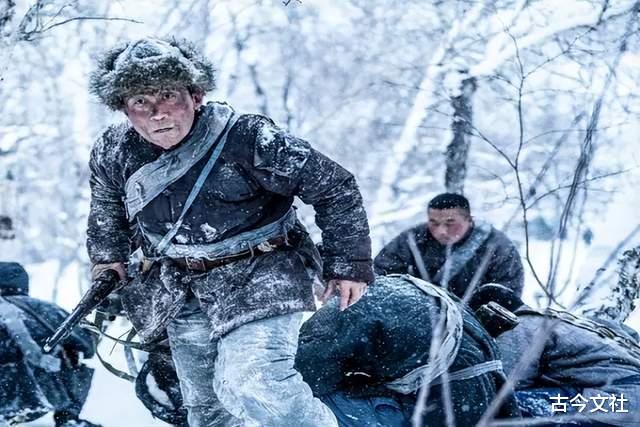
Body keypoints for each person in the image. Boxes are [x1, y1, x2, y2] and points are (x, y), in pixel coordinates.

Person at [86, 36, 374, 426]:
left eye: (168, 95)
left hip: (264, 272)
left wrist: (349, 265)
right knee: (205, 407)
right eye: (140, 101)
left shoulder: (248, 138)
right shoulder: (114, 150)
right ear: (124, 107)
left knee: (255, 381)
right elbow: (106, 203)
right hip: (181, 284)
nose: (157, 113)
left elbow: (334, 187)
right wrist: (108, 259)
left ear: (196, 95)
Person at [295, 274, 521, 427]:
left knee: (303, 402)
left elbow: (301, 374)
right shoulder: (401, 286)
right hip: (483, 400)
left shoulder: (348, 305)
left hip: (444, 406)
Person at [469, 284, 640, 426]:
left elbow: (507, 384)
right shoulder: (566, 319)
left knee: (504, 410)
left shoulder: (519, 324)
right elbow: (630, 334)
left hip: (618, 401)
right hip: (627, 399)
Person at [0, 262, 100, 427]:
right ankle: (67, 418)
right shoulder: (44, 309)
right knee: (73, 352)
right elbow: (87, 346)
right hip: (37, 394)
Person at [374, 193, 524, 299]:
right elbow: (382, 272)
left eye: (450, 223)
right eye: (434, 222)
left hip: (475, 322)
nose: (441, 231)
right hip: (419, 315)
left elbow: (507, 294)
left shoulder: (497, 246)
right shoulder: (413, 239)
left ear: (469, 220)